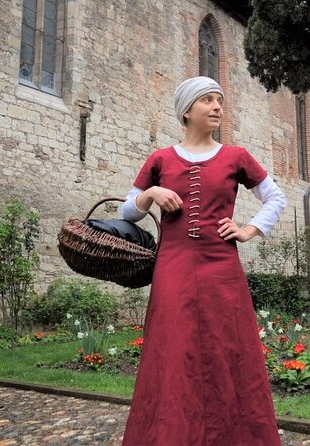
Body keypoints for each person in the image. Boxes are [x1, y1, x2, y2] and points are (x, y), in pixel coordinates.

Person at [120, 76, 287, 446]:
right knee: (173, 351)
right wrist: (151, 192)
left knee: (228, 350)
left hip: (221, 268)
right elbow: (126, 210)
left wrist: (249, 229)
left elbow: (275, 198)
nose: (217, 107)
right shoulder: (161, 159)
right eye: (208, 100)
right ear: (187, 110)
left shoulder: (236, 157)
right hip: (173, 267)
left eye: (220, 101)